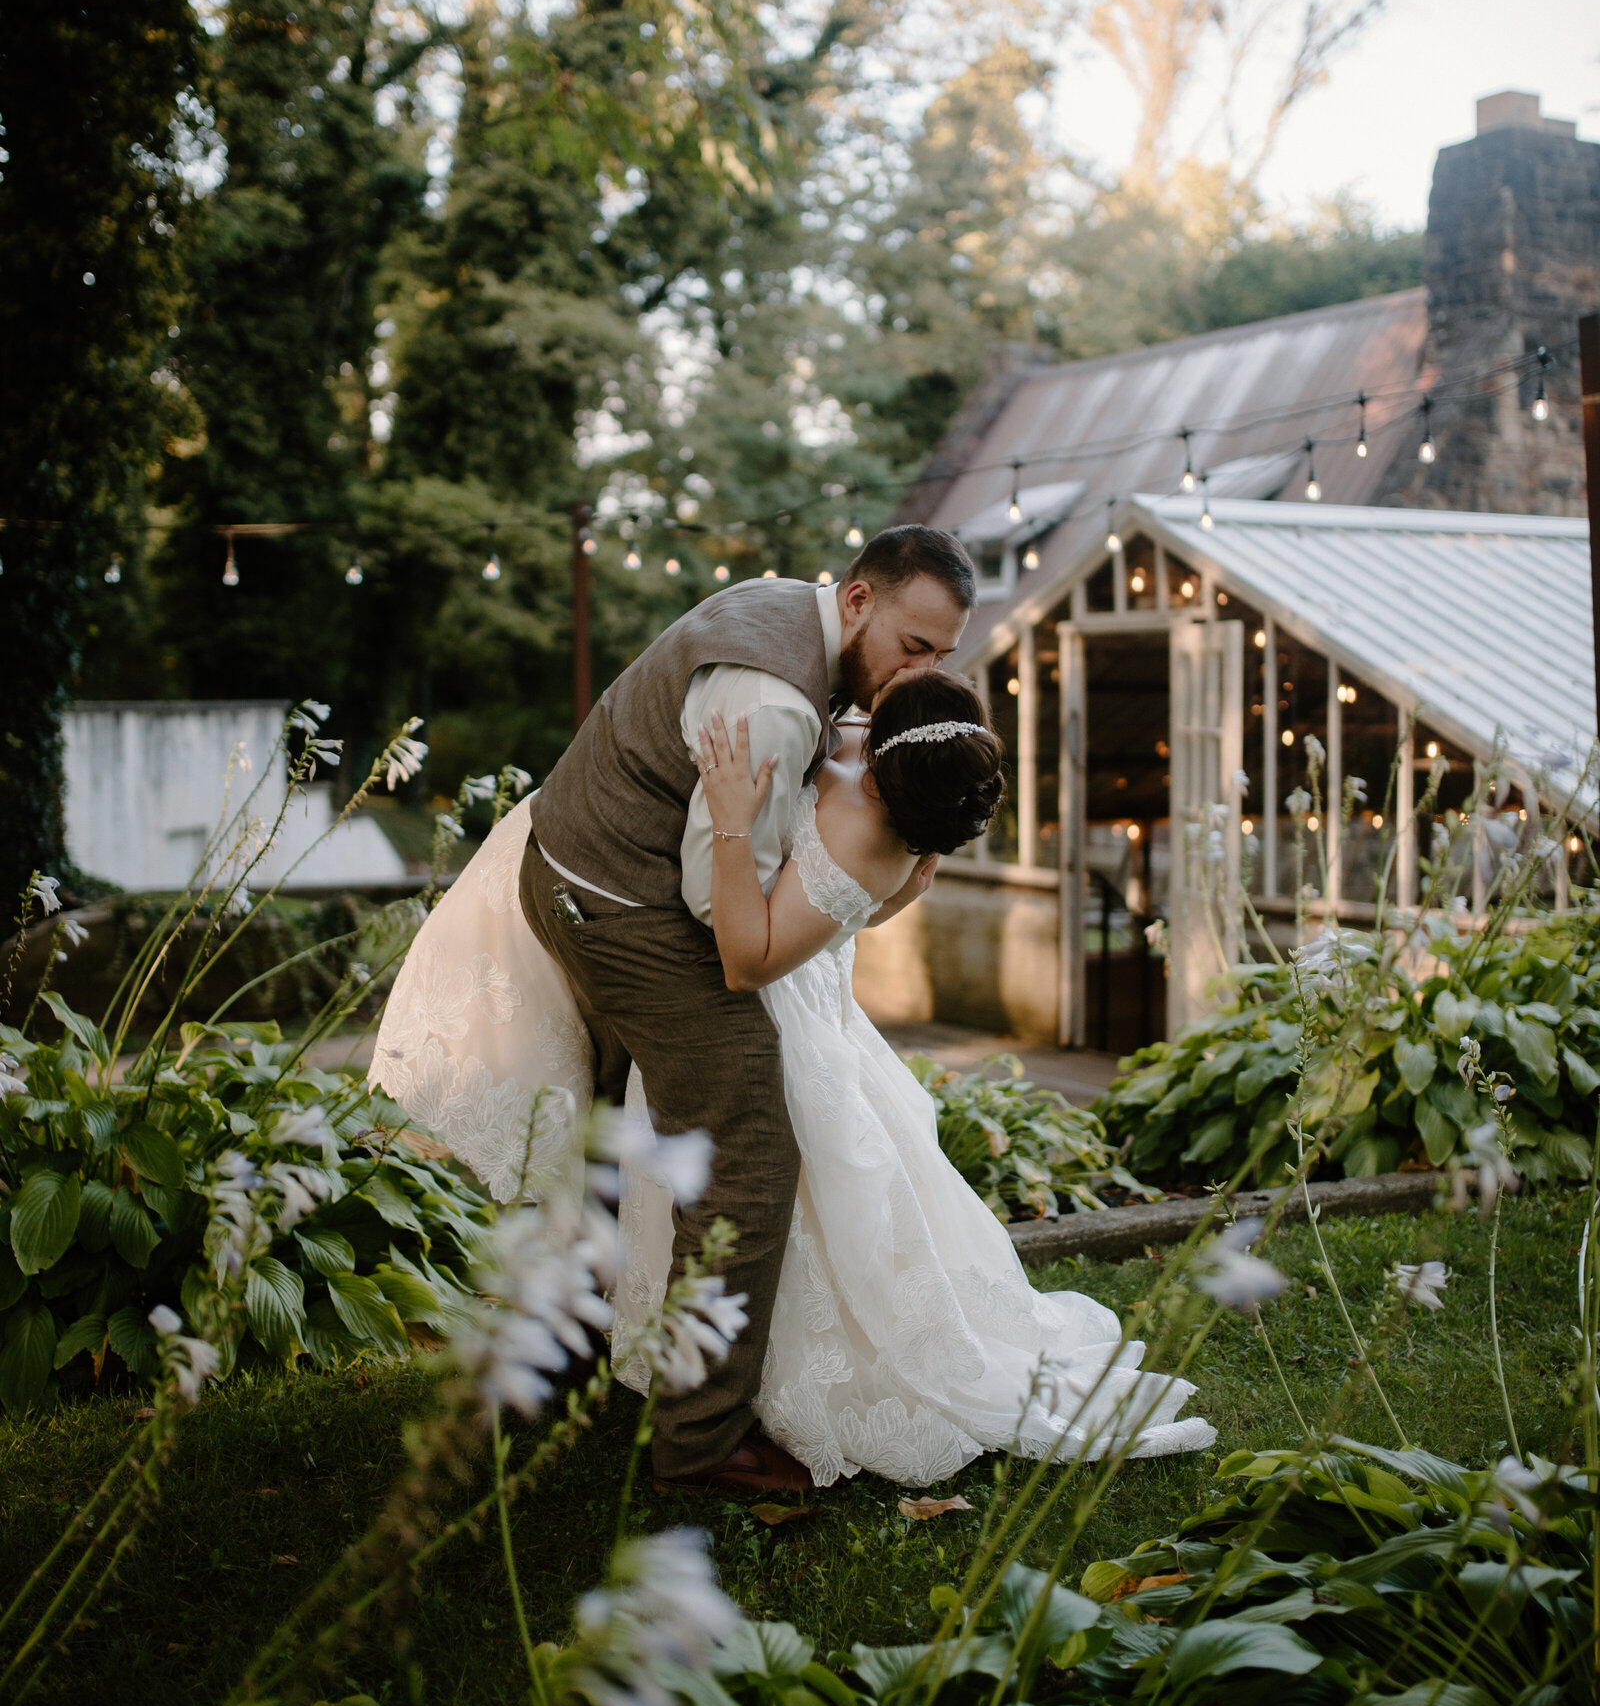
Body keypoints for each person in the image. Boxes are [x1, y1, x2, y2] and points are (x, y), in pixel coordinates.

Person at [387, 526, 976, 1498]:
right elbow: (721, 913)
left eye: (941, 657)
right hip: (627, 907)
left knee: (621, 1136)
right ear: (861, 603)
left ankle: (574, 1346)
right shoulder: (776, 703)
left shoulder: (788, 604)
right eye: (914, 649)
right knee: (744, 1144)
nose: (922, 673)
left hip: (569, 861)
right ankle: (699, 1446)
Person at [608, 666, 1213, 1486]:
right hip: (821, 1009)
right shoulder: (881, 807)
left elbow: (748, 957)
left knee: (794, 1209)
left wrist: (730, 819)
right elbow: (856, 914)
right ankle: (709, 1377)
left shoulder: (872, 835)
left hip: (779, 1023)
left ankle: (766, 1387)